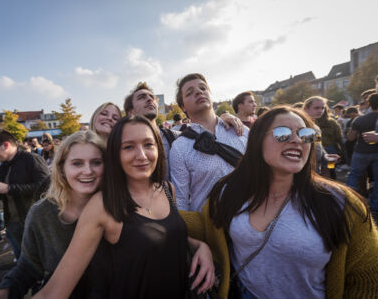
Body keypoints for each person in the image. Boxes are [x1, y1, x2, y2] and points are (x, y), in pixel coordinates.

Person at [181, 106, 378, 299]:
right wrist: (155, 208)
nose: (296, 140)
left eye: (306, 134)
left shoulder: (342, 203)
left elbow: (367, 280)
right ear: (257, 141)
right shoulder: (230, 190)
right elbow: (205, 225)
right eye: (282, 133)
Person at [34, 115, 215, 299]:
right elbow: (54, 291)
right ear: (115, 154)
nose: (142, 155)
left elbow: (167, 234)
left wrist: (201, 247)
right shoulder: (103, 205)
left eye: (148, 144)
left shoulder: (167, 190)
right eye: (129, 147)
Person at [0, 131, 106, 299]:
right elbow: (28, 267)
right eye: (77, 163)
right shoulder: (42, 212)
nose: (87, 171)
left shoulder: (116, 207)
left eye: (96, 162)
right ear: (62, 168)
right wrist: (1, 293)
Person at [124, 81, 244, 180]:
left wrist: (223, 119)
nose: (149, 100)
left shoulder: (178, 138)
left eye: (152, 97)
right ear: (130, 111)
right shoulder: (122, 143)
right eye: (142, 97)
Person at [171, 73, 248, 211]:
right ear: (183, 107)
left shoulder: (242, 131)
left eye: (203, 88)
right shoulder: (179, 147)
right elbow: (181, 200)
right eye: (190, 92)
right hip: (211, 227)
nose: (199, 92)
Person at [0, 129, 50, 259]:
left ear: (5, 145)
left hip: (34, 222)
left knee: (41, 259)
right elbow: (7, 193)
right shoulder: (3, 166)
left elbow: (47, 188)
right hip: (12, 222)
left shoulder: (32, 159)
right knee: (22, 261)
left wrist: (10, 188)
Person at [347, 93, 378, 219]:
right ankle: (375, 207)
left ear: (369, 103)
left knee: (354, 175)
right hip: (377, 153)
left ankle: (349, 202)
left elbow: (351, 138)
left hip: (361, 152)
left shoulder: (359, 119)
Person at [304, 96, 342, 178]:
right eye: (316, 108)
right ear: (305, 109)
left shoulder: (316, 127)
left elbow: (318, 145)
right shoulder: (300, 126)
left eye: (323, 108)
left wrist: (325, 155)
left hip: (317, 168)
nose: (320, 111)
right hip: (305, 169)